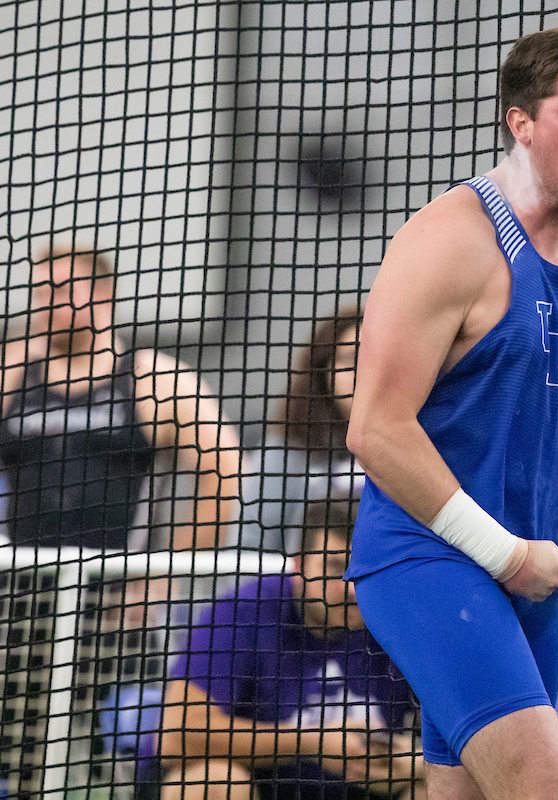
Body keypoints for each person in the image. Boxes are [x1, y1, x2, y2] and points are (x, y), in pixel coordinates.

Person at [343, 26, 558, 800]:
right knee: (541, 784)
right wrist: (504, 553)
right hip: (427, 559)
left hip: (532, 577)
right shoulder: (449, 242)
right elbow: (374, 429)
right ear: (522, 122)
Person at [157, 497, 425, 800]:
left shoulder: (398, 621)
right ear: (299, 565)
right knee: (211, 782)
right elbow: (175, 737)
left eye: (365, 571)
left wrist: (417, 764)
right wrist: (314, 742)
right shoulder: (244, 612)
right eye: (336, 567)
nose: (351, 588)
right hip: (266, 790)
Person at [0, 241, 241, 551]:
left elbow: (227, 474)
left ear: (104, 296)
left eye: (60, 292)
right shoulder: (10, 378)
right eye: (40, 295)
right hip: (21, 589)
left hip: (117, 588)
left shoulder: (157, 381)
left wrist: (162, 574)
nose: (44, 306)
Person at [241, 306, 364, 554]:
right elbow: (248, 555)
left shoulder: (425, 447)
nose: (365, 371)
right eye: (353, 359)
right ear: (324, 369)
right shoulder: (283, 458)